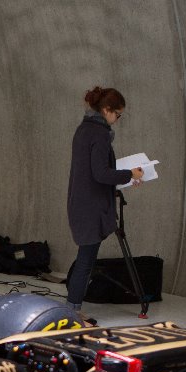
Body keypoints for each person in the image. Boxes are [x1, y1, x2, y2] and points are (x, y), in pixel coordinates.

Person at [65, 86, 143, 319]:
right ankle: (72, 310)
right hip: (91, 206)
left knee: (85, 258)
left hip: (81, 201)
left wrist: (125, 177)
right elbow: (100, 173)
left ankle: (72, 307)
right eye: (117, 115)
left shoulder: (83, 129)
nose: (117, 120)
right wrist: (130, 174)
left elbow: (92, 173)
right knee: (85, 261)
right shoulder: (98, 133)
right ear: (106, 110)